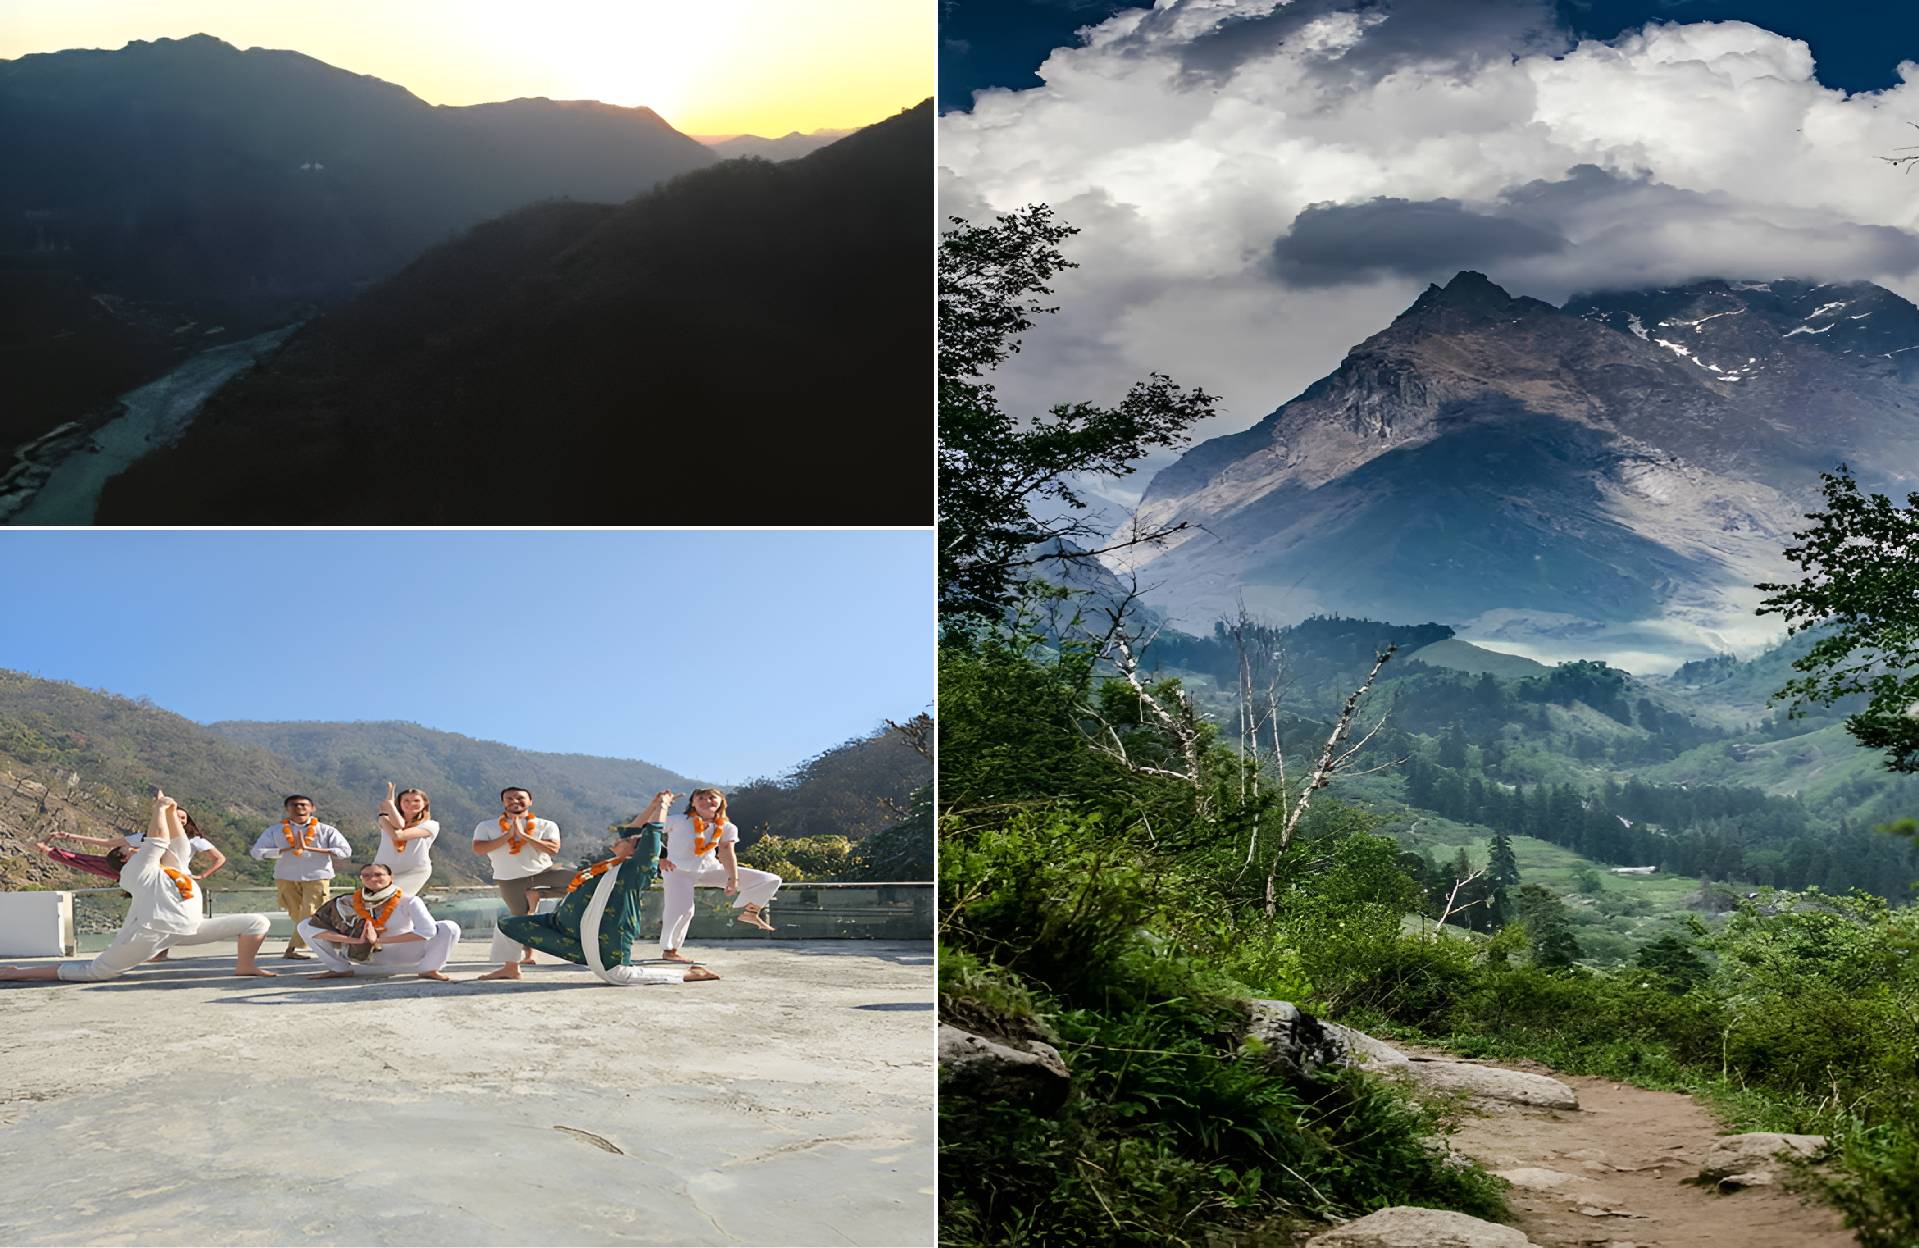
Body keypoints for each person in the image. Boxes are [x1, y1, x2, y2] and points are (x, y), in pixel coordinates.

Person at [0, 791, 276, 982]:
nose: (136, 847)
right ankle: (15, 972)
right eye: (131, 848)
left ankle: (245, 966)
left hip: (188, 929)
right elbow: (158, 840)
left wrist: (170, 808)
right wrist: (158, 811)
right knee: (98, 971)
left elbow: (177, 843)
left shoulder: (171, 868)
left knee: (256, 922)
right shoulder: (135, 870)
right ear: (124, 857)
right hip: (151, 934)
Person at [479, 791, 717, 985]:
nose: (620, 838)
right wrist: (653, 803)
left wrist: (663, 806)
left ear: (637, 851)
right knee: (508, 923)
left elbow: (652, 835)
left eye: (628, 840)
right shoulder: (609, 865)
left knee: (617, 974)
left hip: (603, 933)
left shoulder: (635, 869)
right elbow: (633, 830)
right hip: (562, 925)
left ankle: (689, 975)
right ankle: (513, 967)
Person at [45, 814, 225, 961]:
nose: (180, 820)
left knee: (168, 914)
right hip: (152, 879)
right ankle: (146, 951)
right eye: (176, 816)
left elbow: (219, 858)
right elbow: (108, 843)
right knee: (152, 912)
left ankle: (158, 952)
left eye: (183, 818)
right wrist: (69, 836)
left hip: (176, 880)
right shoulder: (144, 838)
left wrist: (202, 875)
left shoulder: (193, 840)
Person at [658, 787, 779, 963]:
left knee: (769, 880)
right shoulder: (677, 821)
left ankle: (750, 912)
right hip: (677, 871)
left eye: (712, 797)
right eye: (701, 798)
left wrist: (733, 878)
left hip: (710, 869)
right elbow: (648, 833)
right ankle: (670, 951)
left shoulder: (727, 827)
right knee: (683, 910)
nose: (707, 801)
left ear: (722, 802)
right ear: (693, 803)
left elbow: (726, 851)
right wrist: (660, 858)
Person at [296, 861, 460, 981]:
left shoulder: (408, 901)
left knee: (449, 927)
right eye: (366, 875)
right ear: (361, 879)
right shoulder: (347, 902)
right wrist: (355, 940)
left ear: (391, 877)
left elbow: (427, 931)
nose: (372, 879)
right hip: (362, 954)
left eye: (378, 874)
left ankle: (428, 969)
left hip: (405, 953)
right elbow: (318, 926)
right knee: (305, 925)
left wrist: (378, 939)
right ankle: (339, 968)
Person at [471, 786, 572, 966]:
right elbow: (479, 849)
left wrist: (524, 836)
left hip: (543, 872)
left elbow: (553, 849)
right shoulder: (486, 826)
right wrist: (508, 835)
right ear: (503, 803)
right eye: (509, 798)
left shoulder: (546, 824)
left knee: (583, 881)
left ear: (530, 801)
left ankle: (539, 895)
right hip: (510, 879)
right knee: (522, 918)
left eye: (520, 798)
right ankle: (530, 955)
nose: (515, 801)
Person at [249, 794, 352, 959]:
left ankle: (293, 948)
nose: (299, 808)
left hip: (317, 877)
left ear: (312, 808)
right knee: (296, 914)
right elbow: (256, 852)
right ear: (287, 809)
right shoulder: (275, 831)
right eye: (294, 805)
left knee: (310, 912)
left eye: (304, 805)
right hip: (285, 877)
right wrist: (285, 850)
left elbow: (345, 851)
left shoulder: (326, 830)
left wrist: (312, 849)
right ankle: (327, 941)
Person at [373, 783, 439, 895]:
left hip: (412, 871)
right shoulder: (385, 819)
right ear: (399, 803)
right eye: (406, 801)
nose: (411, 804)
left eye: (416, 801)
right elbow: (398, 824)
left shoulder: (430, 825)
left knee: (394, 901)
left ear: (425, 803)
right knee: (372, 903)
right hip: (382, 871)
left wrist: (384, 814)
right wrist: (389, 802)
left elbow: (398, 835)